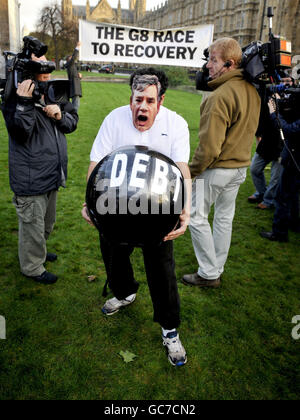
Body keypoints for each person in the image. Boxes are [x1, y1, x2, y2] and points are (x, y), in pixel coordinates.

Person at [82, 69, 191, 367]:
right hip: (114, 205)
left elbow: (182, 168)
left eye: (149, 100)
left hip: (156, 211)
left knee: (162, 270)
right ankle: (125, 292)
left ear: (161, 101)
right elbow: (97, 161)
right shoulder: (113, 119)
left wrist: (186, 209)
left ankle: (169, 329)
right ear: (130, 98)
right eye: (137, 98)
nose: (142, 107)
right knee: (114, 256)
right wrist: (87, 201)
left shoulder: (176, 123)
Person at [182, 37, 261, 288]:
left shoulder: (218, 96)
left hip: (217, 170)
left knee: (195, 216)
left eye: (212, 60)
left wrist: (190, 172)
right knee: (224, 219)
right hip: (239, 169)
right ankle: (216, 267)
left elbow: (208, 148)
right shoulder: (252, 90)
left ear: (230, 63)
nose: (208, 65)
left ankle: (208, 273)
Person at [1, 54, 78, 284]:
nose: (48, 78)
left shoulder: (52, 92)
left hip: (52, 174)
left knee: (46, 223)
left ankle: (38, 252)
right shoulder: (14, 98)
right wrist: (24, 103)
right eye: (43, 74)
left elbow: (72, 121)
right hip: (31, 178)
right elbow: (20, 133)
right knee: (32, 225)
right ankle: (32, 266)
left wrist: (59, 114)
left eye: (49, 73)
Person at [260, 96, 300, 241]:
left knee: (282, 196)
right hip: (294, 159)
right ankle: (294, 224)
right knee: (294, 195)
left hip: (295, 160)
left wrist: (273, 113)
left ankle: (279, 232)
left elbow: (289, 129)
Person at [247, 89, 282, 209]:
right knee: (254, 169)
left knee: (275, 177)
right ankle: (261, 192)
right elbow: (259, 118)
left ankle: (268, 201)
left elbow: (282, 125)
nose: (285, 82)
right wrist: (258, 135)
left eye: (288, 80)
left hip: (281, 146)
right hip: (266, 143)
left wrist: (276, 109)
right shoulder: (267, 98)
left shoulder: (291, 101)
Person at [65, 41, 82, 112]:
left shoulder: (72, 66)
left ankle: (72, 118)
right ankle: (73, 119)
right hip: (75, 88)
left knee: (75, 105)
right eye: (71, 57)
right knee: (75, 106)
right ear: (69, 59)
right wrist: (77, 47)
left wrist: (79, 76)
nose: (74, 58)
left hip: (76, 88)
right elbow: (74, 57)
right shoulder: (70, 64)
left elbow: (75, 76)